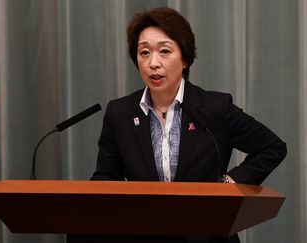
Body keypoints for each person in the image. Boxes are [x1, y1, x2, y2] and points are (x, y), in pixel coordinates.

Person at [89, 7, 287, 243]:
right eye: (144, 53)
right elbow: (105, 178)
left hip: (207, 235)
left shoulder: (214, 108)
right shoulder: (119, 113)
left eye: (164, 51)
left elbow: (273, 147)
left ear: (184, 58)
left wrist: (229, 184)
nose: (153, 63)